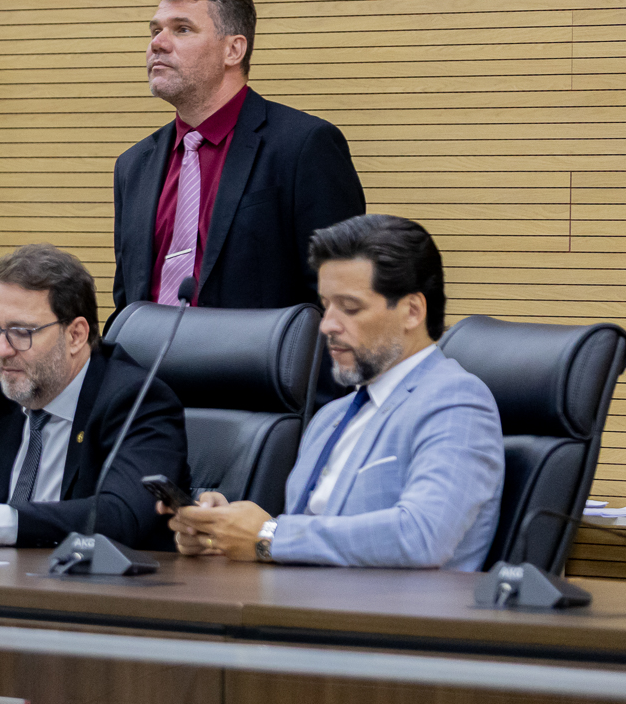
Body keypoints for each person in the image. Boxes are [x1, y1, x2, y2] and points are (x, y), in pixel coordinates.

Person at [164, 214, 504, 569]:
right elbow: (312, 538)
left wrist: (268, 536)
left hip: (398, 604)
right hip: (300, 597)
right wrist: (226, 532)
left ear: (412, 311)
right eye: (326, 306)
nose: (327, 325)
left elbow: (422, 536)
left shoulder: (456, 401)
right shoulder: (331, 417)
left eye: (350, 308)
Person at [0, 243, 189, 550]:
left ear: (75, 335)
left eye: (21, 332)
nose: (1, 350)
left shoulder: (137, 402)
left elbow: (119, 516)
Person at [112, 0, 364, 315]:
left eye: (182, 29)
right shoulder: (133, 166)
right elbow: (126, 301)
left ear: (233, 50)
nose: (158, 43)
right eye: (155, 31)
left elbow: (342, 298)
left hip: (257, 350)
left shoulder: (304, 147)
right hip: (146, 350)